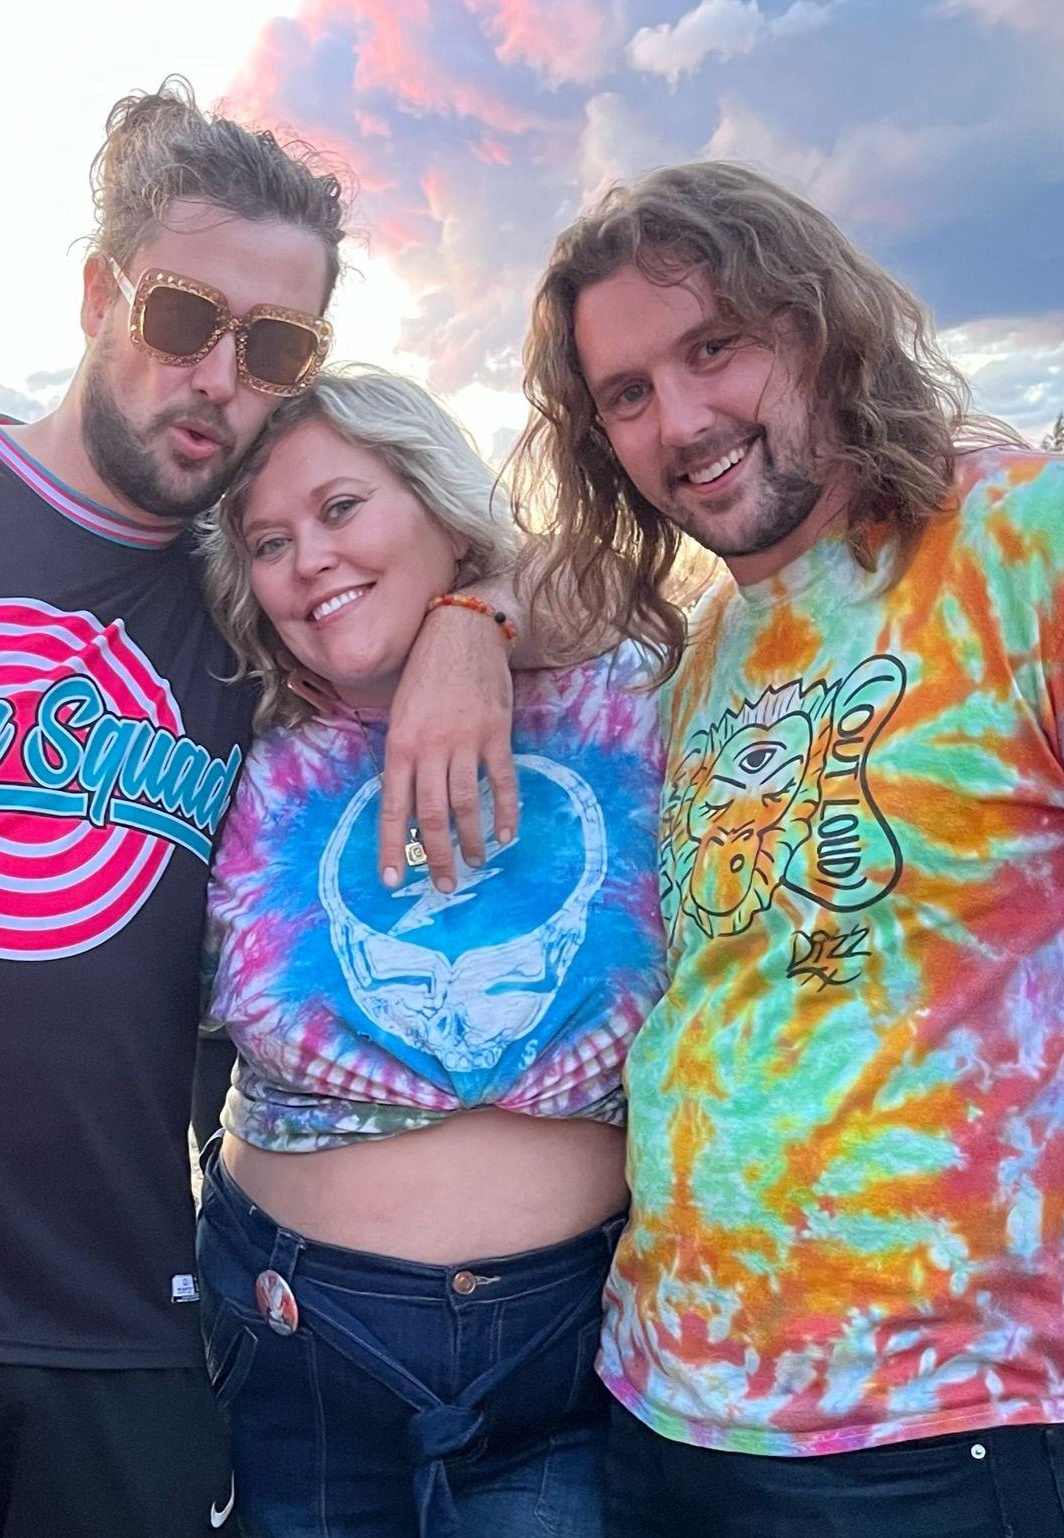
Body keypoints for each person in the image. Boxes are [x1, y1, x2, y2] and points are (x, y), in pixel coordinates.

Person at [0, 77, 535, 1538]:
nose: (222, 377)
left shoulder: (254, 597)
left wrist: (472, 612)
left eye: (276, 346)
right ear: (95, 295)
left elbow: (561, 563)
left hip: (121, 1323)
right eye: (185, 318)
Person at [506, 160, 1064, 1538]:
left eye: (714, 347)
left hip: (948, 1429)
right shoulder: (709, 650)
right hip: (661, 1404)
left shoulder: (1054, 543)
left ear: (820, 325)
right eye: (626, 393)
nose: (680, 420)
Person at [191, 365, 666, 1537]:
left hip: (564, 1349)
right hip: (296, 1343)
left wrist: (477, 616)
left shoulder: (626, 691)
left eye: (342, 507)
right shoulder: (234, 728)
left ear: (441, 504)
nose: (308, 558)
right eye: (267, 541)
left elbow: (626, 562)